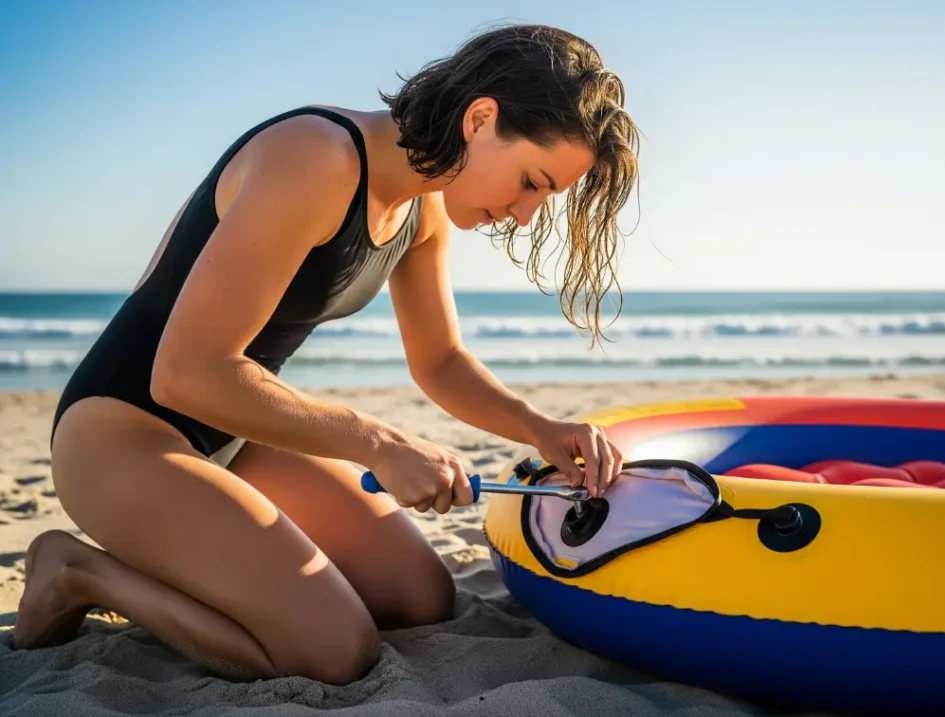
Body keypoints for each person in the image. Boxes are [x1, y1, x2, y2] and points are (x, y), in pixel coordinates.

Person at [12, 23, 641, 684]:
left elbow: (441, 361)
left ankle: (201, 551)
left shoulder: (420, 209)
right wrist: (374, 442)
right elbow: (185, 373)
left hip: (234, 436)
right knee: (333, 649)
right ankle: (79, 571)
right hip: (121, 435)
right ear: (481, 119)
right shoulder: (317, 157)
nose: (524, 214)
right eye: (532, 181)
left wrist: (541, 428)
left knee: (418, 596)